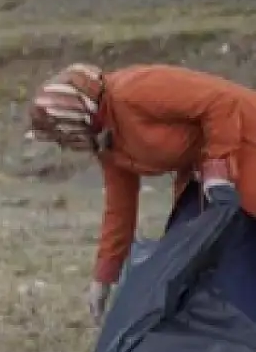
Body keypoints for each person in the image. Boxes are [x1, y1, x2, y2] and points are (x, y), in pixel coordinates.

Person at [29, 62, 256, 323]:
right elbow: (120, 205)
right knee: (214, 261)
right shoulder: (108, 140)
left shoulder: (134, 90)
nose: (64, 145)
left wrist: (218, 168)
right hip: (210, 180)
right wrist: (104, 276)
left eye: (60, 136)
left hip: (244, 142)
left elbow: (221, 103)